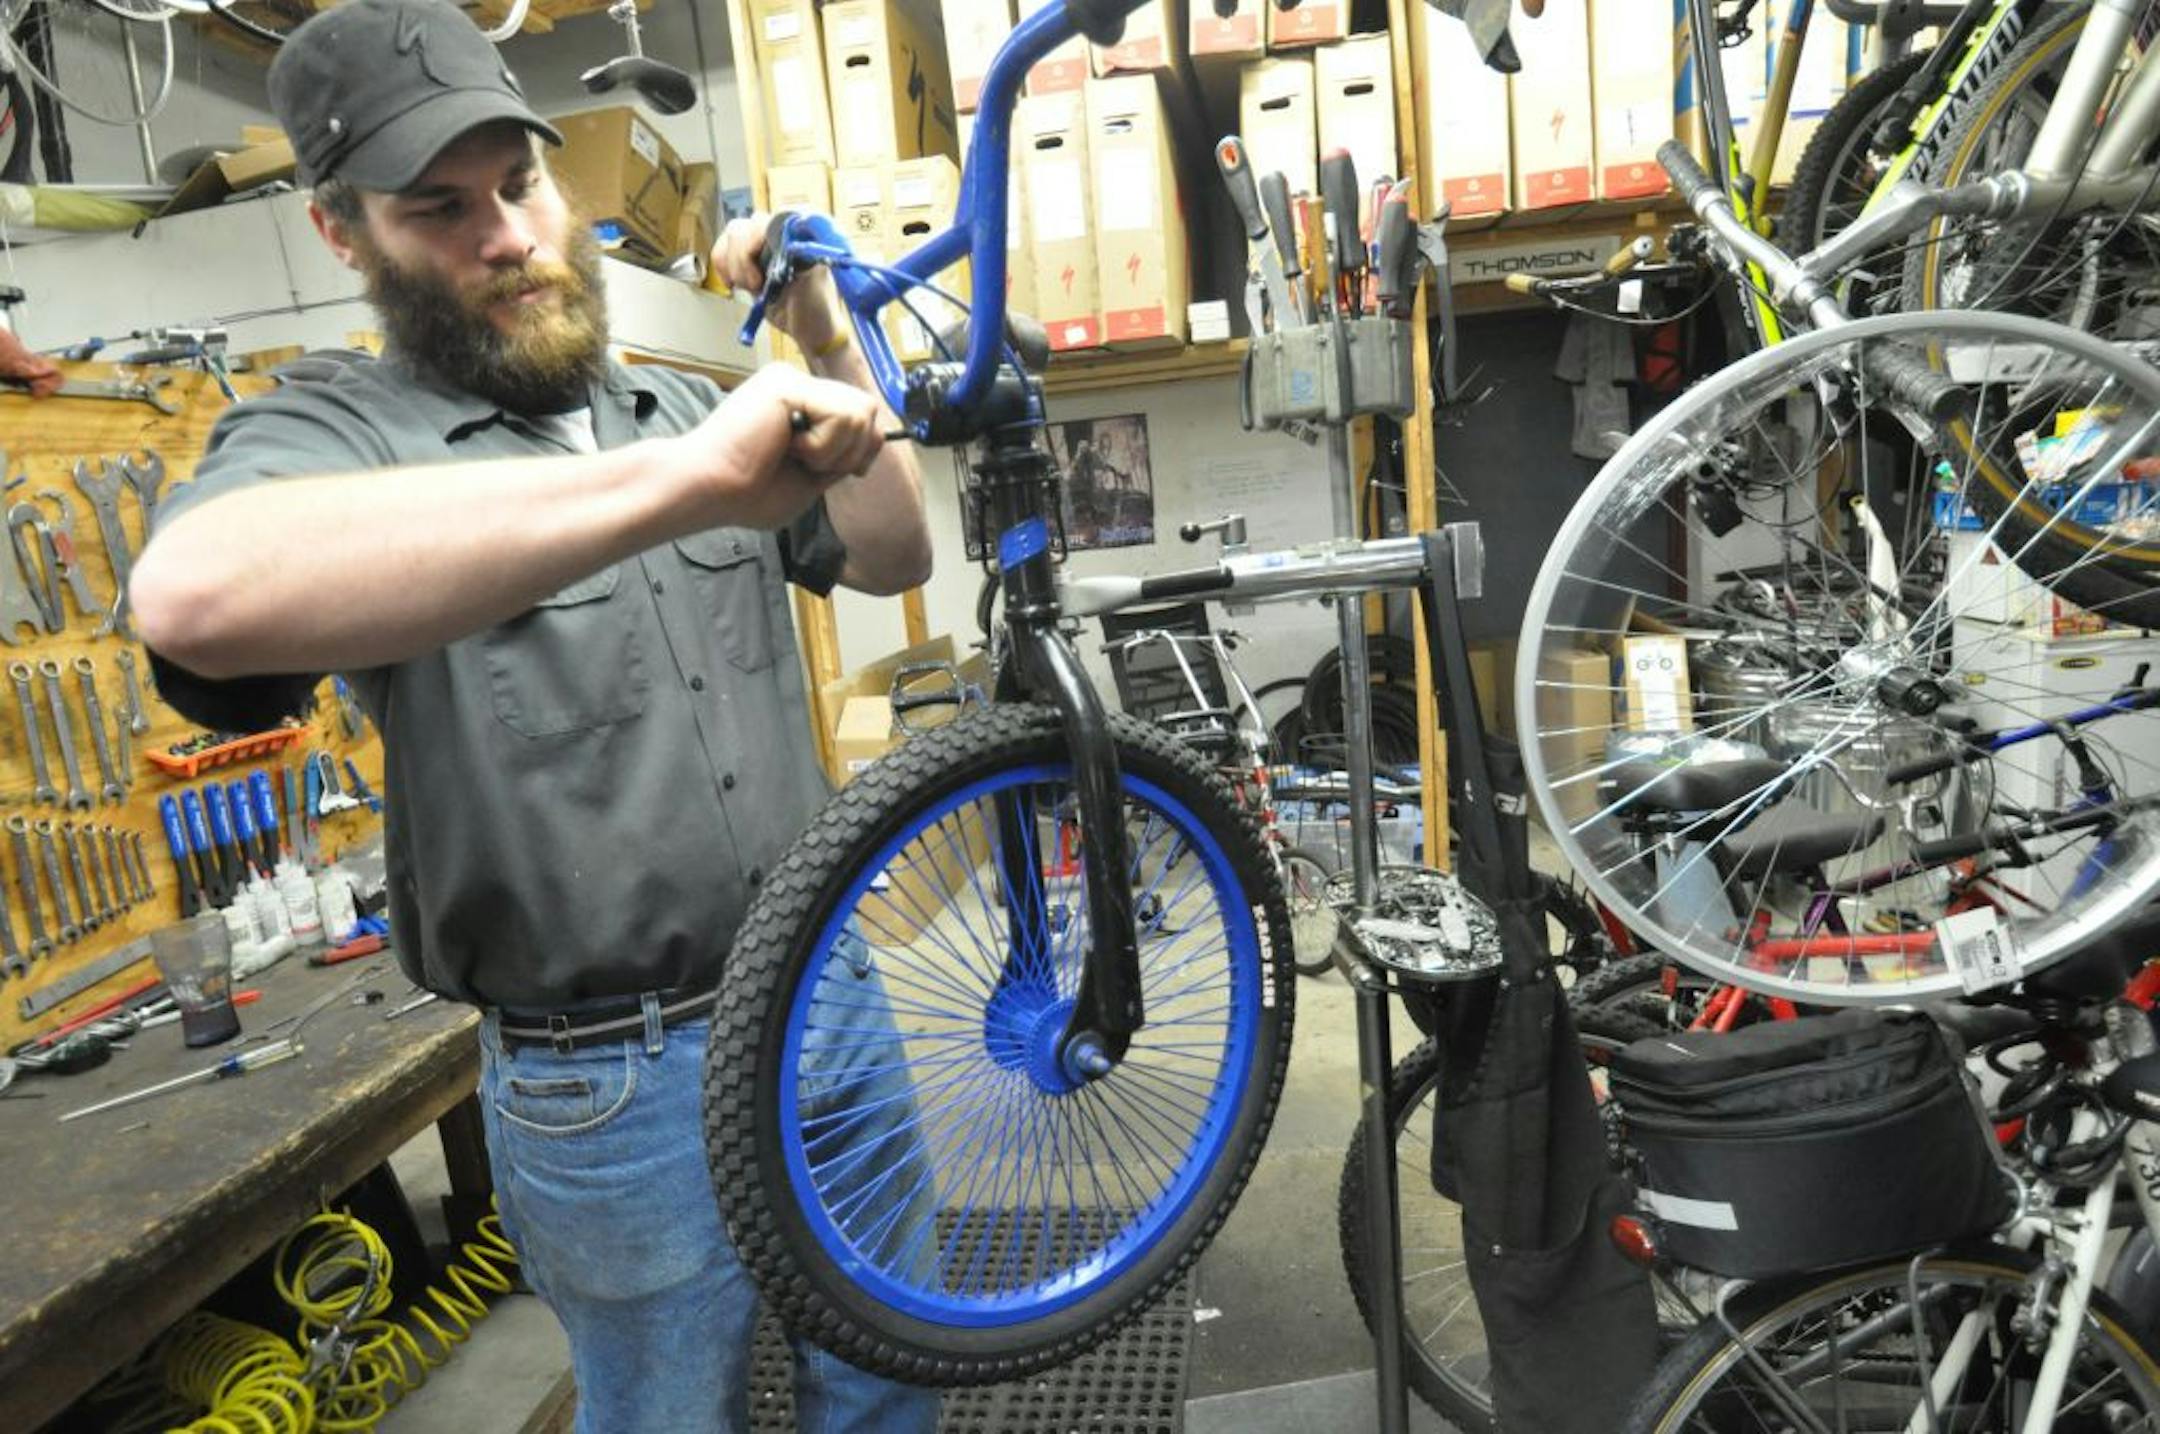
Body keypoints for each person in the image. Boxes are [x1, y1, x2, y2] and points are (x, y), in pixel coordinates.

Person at [127, 1, 940, 1429]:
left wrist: (820, 336)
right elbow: (189, 597)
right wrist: (689, 485)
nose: (504, 234)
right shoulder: (340, 440)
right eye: (438, 207)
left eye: (520, 183)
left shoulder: (669, 404)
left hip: (833, 1002)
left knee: (889, 1391)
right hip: (611, 1084)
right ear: (341, 235)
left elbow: (892, 552)